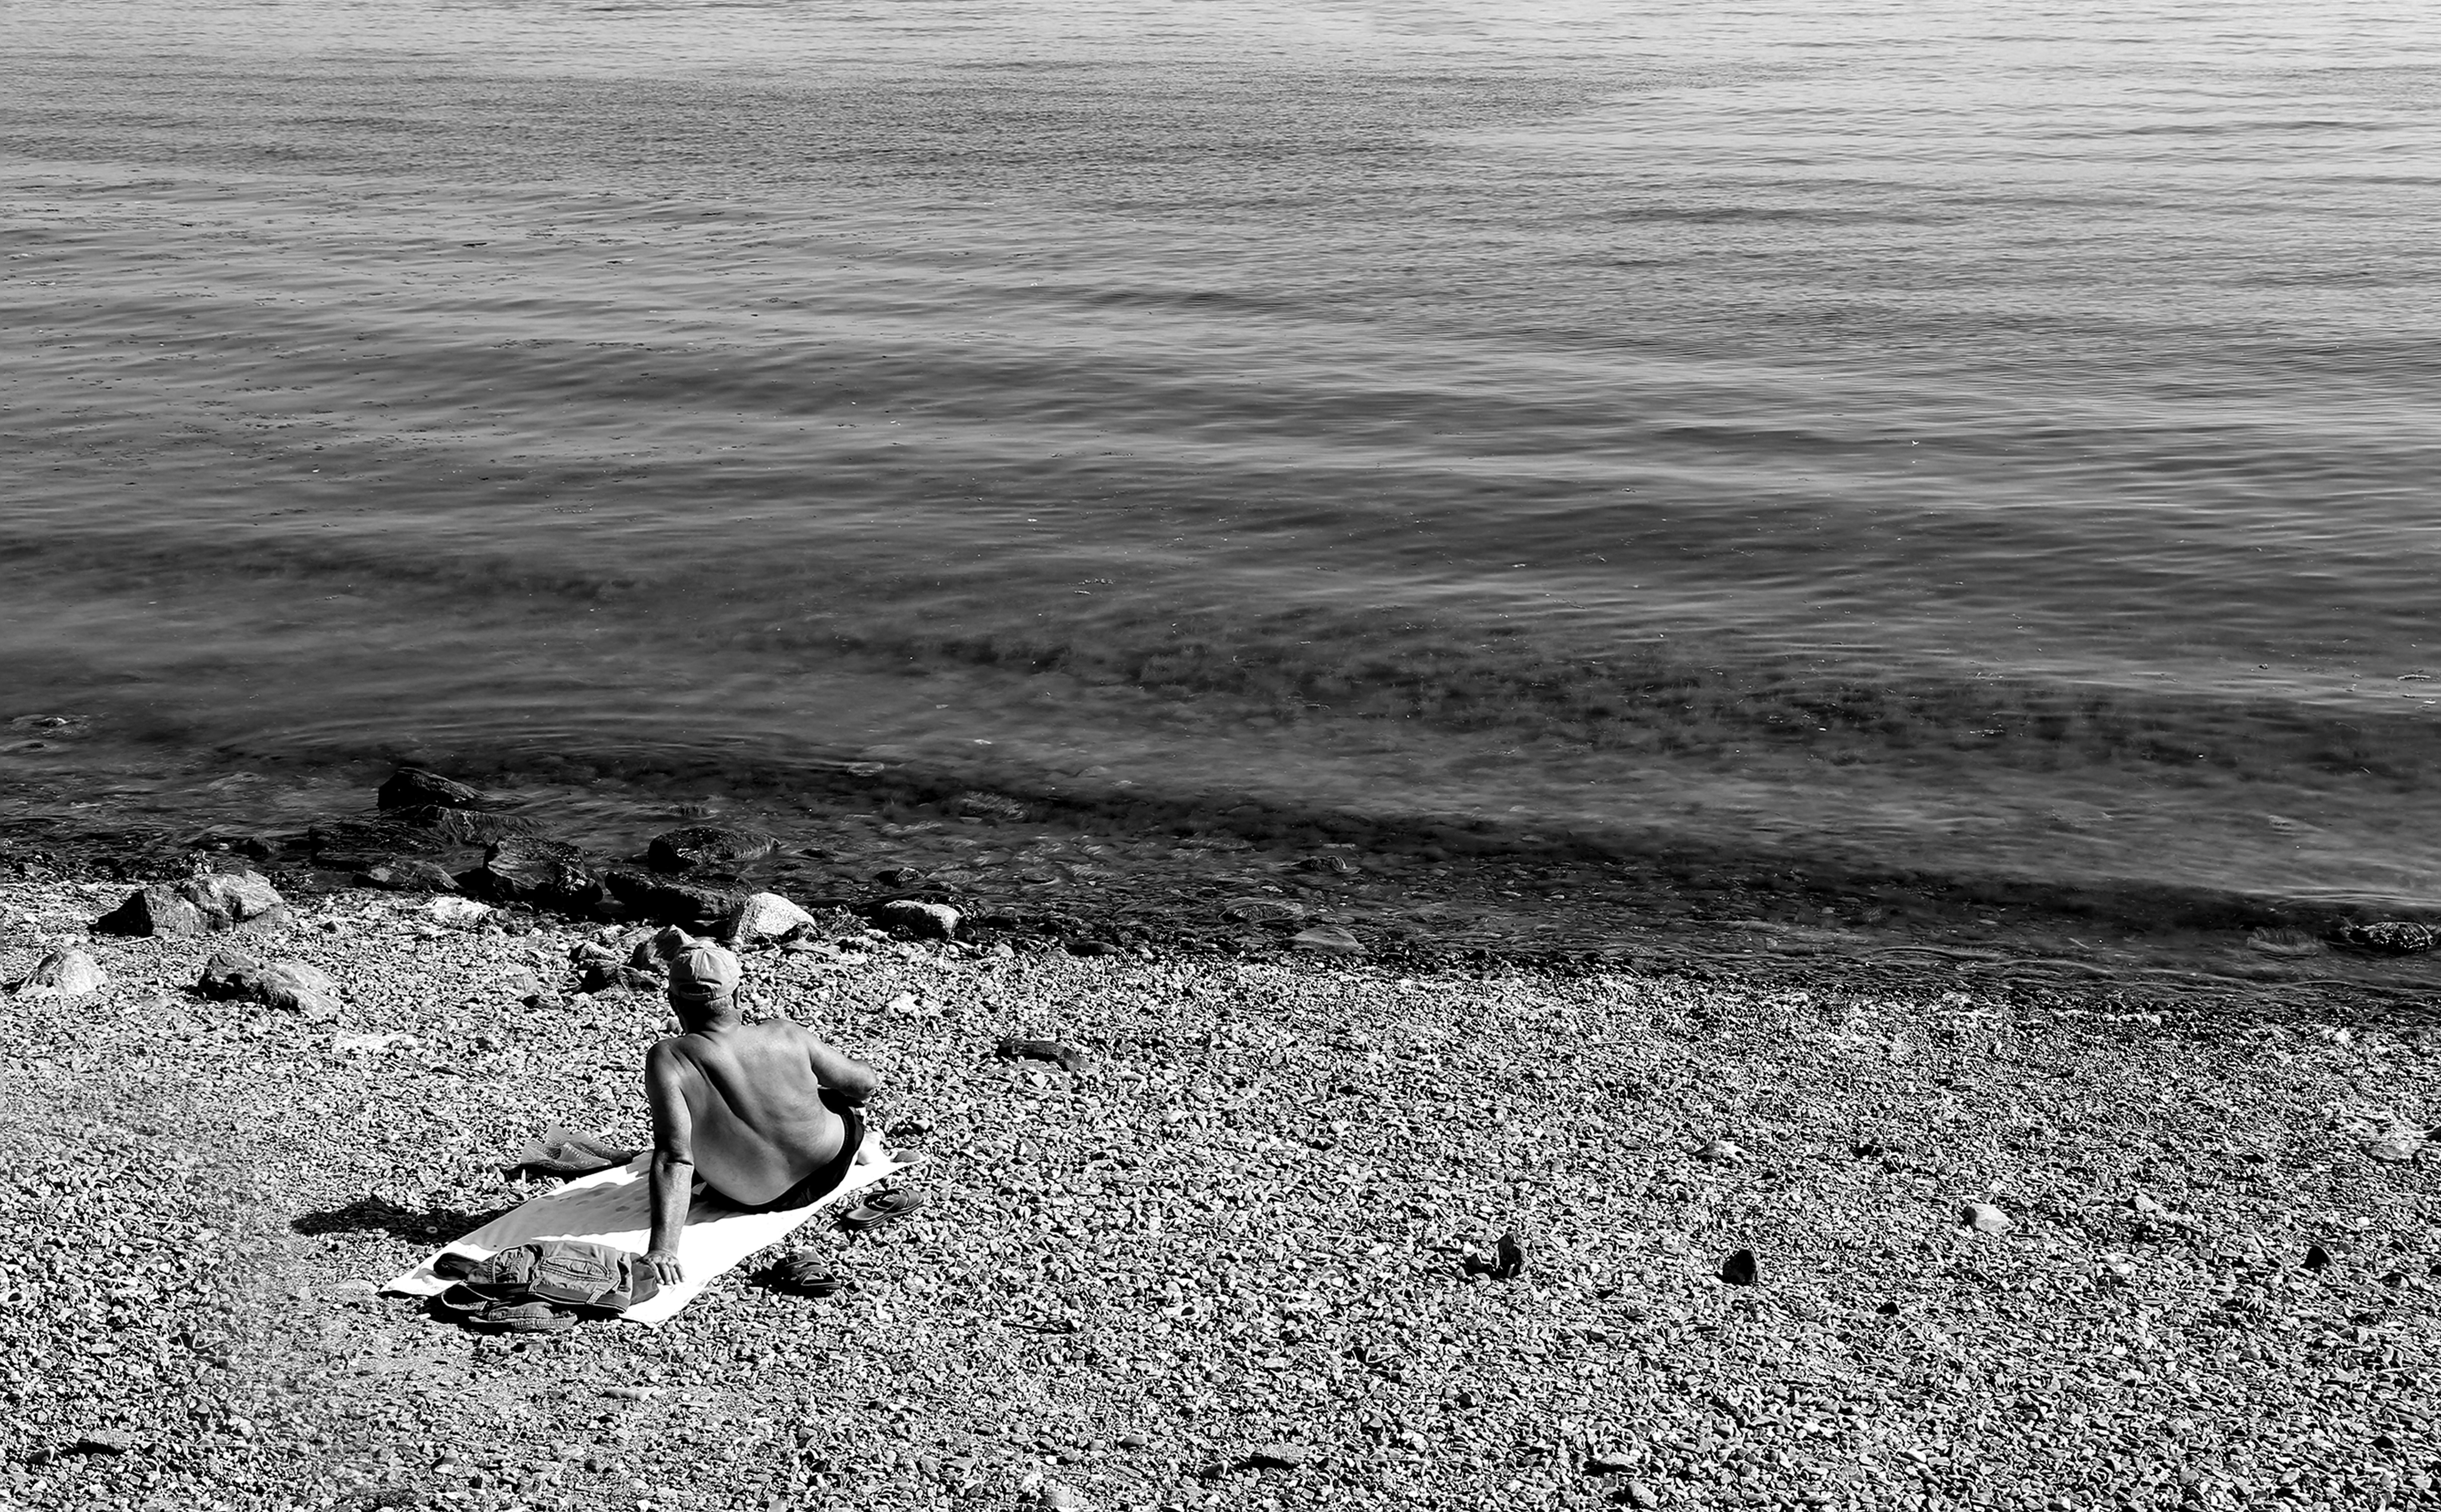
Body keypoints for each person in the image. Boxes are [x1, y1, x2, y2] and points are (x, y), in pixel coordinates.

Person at [641, 941, 881, 1285]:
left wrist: (664, 1249)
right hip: (832, 1165)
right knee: (830, 1096)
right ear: (739, 996)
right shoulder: (786, 1034)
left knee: (699, 1132)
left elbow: (675, 1157)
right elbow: (864, 1085)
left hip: (756, 1198)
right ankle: (866, 1147)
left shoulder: (669, 1059)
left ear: (674, 1002)